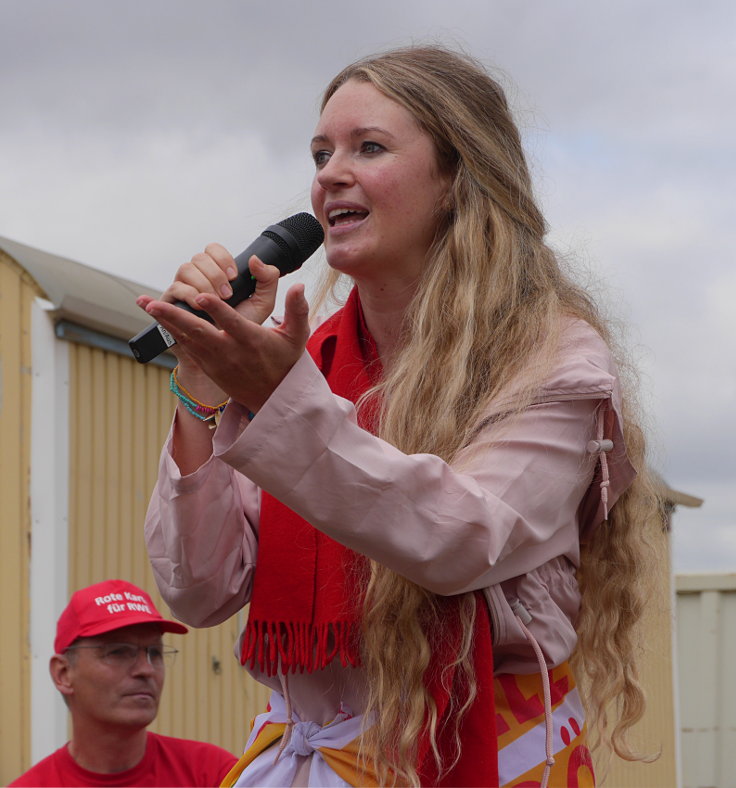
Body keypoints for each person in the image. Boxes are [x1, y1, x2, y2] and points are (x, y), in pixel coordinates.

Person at [139, 45, 661, 787]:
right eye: (321, 153)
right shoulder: (307, 360)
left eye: (368, 147)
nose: (328, 174)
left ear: (456, 177)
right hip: (309, 759)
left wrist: (284, 403)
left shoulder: (554, 359)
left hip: (480, 758)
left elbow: (457, 538)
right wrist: (202, 382)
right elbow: (200, 589)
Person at [10, 579, 238, 787]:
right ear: (63, 673)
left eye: (155, 653)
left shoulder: (213, 774)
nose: (146, 670)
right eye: (118, 652)